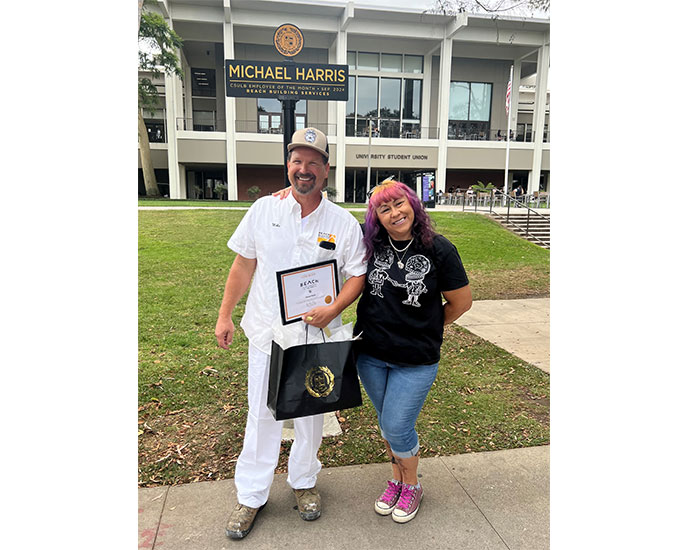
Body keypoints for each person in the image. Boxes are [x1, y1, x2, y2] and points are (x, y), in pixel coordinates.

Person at [215, 127, 367, 540]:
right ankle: (252, 495)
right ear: (288, 166)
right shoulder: (265, 209)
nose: (304, 169)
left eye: (313, 162)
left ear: (326, 169)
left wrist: (335, 307)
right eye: (297, 161)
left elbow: (357, 273)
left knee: (312, 416)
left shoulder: (342, 223)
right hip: (267, 333)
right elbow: (243, 264)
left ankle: (303, 483)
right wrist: (225, 315)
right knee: (261, 414)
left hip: (316, 338)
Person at [353, 179, 472, 524]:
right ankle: (396, 480)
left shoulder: (439, 249)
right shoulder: (369, 242)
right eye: (384, 208)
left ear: (414, 205)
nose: (394, 213)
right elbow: (325, 222)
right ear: (376, 217)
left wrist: (426, 326)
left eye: (399, 204)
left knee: (396, 424)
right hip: (370, 354)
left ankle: (413, 484)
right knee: (388, 425)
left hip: (416, 359)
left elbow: (461, 303)